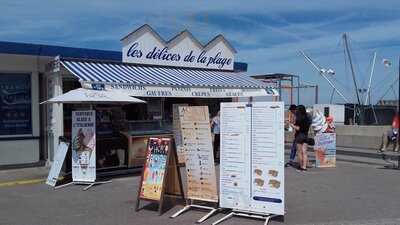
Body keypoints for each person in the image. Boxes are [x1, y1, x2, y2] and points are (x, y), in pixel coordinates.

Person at [289, 105, 311, 171]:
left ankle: (301, 166)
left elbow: (298, 128)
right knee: (304, 152)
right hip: (306, 135)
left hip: (299, 136)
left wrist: (292, 125)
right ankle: (304, 167)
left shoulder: (299, 118)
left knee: (299, 152)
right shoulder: (308, 117)